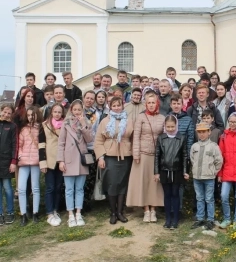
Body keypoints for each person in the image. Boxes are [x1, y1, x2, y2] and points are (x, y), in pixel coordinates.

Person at [126, 93, 165, 222]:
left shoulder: (162, 118)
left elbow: (164, 138)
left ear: (157, 104)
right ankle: (146, 210)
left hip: (156, 156)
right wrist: (136, 154)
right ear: (146, 104)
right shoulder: (141, 117)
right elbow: (136, 136)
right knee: (142, 183)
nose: (151, 105)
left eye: (153, 102)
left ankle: (153, 209)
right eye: (149, 103)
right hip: (142, 154)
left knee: (154, 185)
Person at [95, 97, 133, 225]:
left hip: (125, 155)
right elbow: (99, 141)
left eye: (119, 105)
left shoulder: (129, 120)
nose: (117, 107)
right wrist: (101, 157)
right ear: (110, 107)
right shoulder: (105, 121)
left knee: (122, 184)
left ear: (122, 106)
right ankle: (112, 212)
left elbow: (133, 138)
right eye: (114, 105)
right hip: (110, 155)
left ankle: (120, 212)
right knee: (112, 184)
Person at [57, 100, 93, 227]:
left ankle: (78, 212)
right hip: (69, 160)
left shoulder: (86, 122)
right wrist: (61, 161)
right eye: (75, 109)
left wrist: (83, 123)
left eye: (79, 110)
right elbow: (61, 143)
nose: (77, 112)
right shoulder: (65, 123)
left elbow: (89, 139)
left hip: (81, 160)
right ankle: (70, 215)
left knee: (79, 189)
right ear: (71, 110)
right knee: (69, 189)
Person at [154, 115, 188, 229]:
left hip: (177, 171)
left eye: (172, 126)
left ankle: (175, 219)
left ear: (176, 125)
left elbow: (184, 156)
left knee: (175, 194)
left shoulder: (181, 138)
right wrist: (156, 172)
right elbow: (157, 155)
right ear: (165, 126)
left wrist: (185, 171)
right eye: (168, 127)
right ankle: (168, 218)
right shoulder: (161, 138)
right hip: (164, 171)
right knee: (167, 195)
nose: (170, 129)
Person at [190, 122, 223, 231]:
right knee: (199, 198)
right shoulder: (194, 146)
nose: (202, 134)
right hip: (197, 177)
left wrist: (214, 172)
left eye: (204, 132)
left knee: (209, 198)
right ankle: (200, 218)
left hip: (209, 177)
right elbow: (192, 159)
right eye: (199, 132)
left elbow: (219, 161)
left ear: (209, 132)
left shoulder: (213, 146)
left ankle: (210, 219)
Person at [39, 103, 65, 226]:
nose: (57, 114)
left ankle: (55, 209)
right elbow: (41, 144)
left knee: (58, 186)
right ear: (51, 112)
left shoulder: (65, 125)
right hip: (49, 160)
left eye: (59, 112)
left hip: (61, 159)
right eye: (55, 112)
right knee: (50, 187)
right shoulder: (44, 125)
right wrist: (42, 162)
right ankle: (49, 212)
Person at [18, 106, 43, 226]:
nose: (30, 117)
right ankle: (23, 214)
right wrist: (20, 156)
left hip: (35, 161)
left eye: (32, 115)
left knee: (35, 188)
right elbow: (20, 145)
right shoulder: (23, 129)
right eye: (28, 115)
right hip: (24, 162)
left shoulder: (40, 129)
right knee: (21, 189)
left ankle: (35, 212)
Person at [0, 104, 18, 225]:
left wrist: (13, 162)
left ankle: (10, 212)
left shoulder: (12, 126)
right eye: (5, 112)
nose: (6, 115)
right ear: (1, 111)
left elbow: (15, 145)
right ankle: (0, 214)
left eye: (9, 113)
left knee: (7, 188)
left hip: (7, 162)